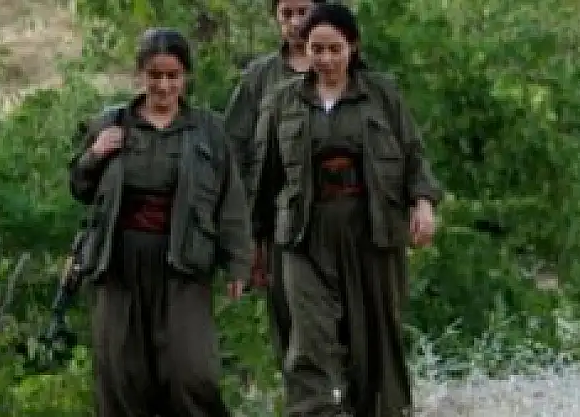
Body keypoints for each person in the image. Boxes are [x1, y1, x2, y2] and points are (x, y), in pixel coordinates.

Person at [251, 3, 443, 415]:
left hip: (371, 230)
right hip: (303, 236)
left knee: (375, 345)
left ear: (352, 47)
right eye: (316, 49)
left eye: (334, 49)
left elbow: (413, 154)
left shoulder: (381, 93)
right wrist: (254, 244)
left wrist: (424, 203)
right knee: (309, 340)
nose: (325, 59)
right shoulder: (282, 101)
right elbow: (265, 178)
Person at [68, 28, 252, 416]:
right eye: (155, 75)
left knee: (191, 373)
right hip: (119, 264)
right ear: (140, 75)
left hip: (183, 263)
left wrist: (238, 262)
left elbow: (231, 200)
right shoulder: (111, 123)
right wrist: (95, 154)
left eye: (173, 75)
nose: (164, 86)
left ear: (186, 77)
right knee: (122, 374)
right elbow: (80, 188)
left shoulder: (208, 130)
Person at [223, 0, 325, 369]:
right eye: (287, 14)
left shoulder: (341, 66)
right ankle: (303, 396)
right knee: (289, 323)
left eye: (303, 11)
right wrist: (247, 234)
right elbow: (233, 151)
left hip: (338, 213)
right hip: (281, 220)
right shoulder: (260, 77)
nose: (295, 22)